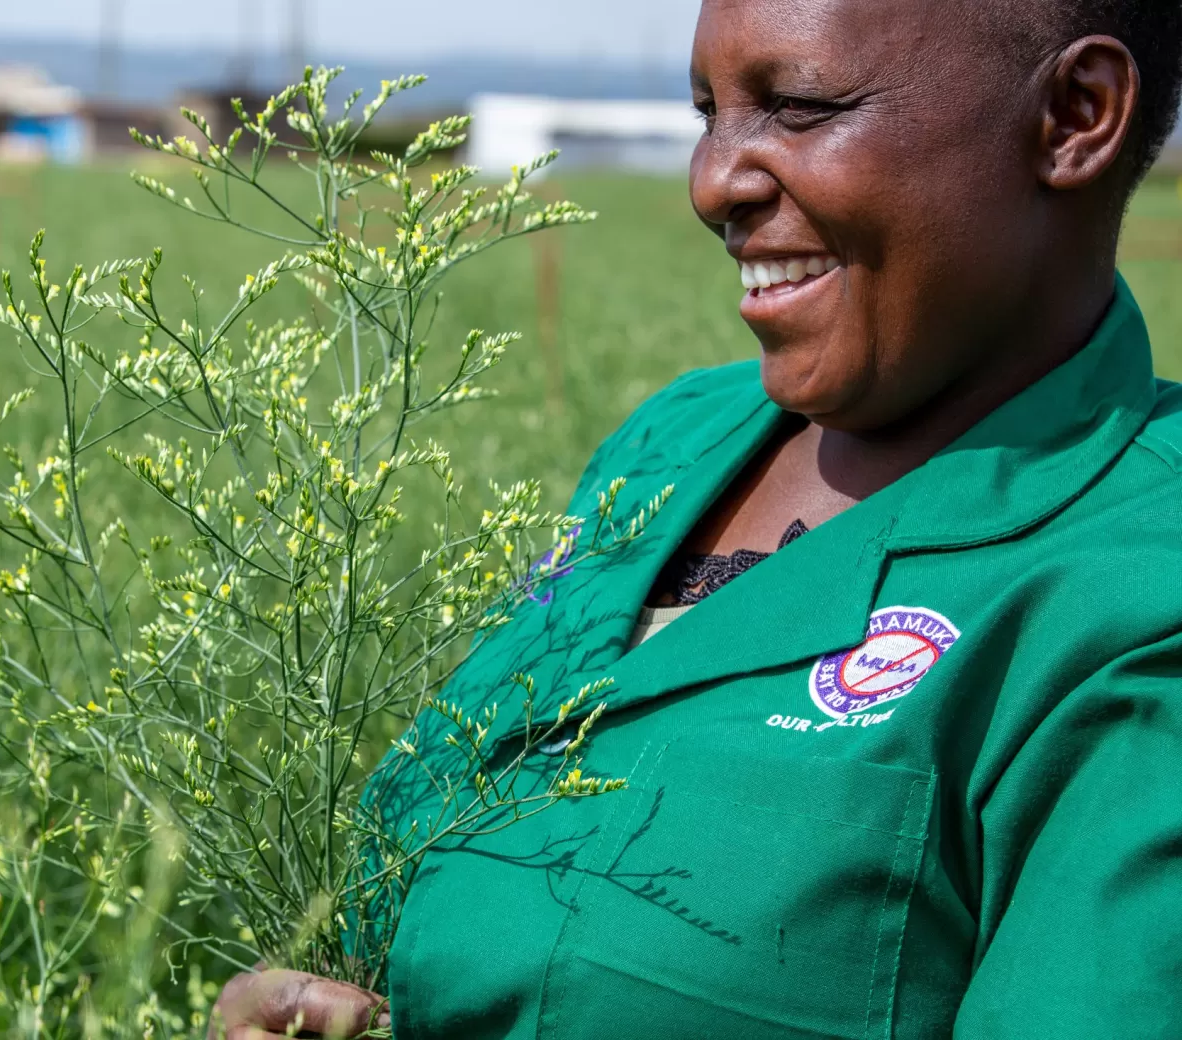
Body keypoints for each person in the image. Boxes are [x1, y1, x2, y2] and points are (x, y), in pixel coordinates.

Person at [214, 0, 1182, 1035]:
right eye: (705, 112)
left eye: (801, 107)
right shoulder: (677, 438)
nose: (712, 182)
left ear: (1077, 115)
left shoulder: (1138, 588)